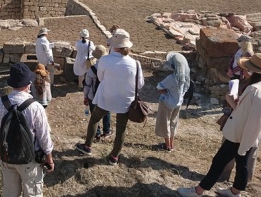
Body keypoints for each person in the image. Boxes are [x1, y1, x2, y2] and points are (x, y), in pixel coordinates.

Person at [177, 53, 261, 197]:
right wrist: (232, 102)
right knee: (242, 164)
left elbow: (255, 119)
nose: (243, 71)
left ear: (254, 71)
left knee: (218, 162)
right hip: (249, 136)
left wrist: (245, 144)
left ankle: (198, 191)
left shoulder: (255, 91)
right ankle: (235, 192)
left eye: (246, 68)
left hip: (241, 136)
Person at [75, 29, 144, 166]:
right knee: (121, 129)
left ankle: (87, 146)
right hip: (125, 101)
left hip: (106, 97)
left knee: (94, 119)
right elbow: (140, 84)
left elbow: (100, 78)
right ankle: (114, 157)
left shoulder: (105, 60)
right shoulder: (135, 64)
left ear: (115, 46)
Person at [0, 63, 54, 196]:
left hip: (7, 157)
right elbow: (44, 136)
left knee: (9, 192)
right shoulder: (36, 107)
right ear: (28, 83)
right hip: (29, 159)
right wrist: (49, 157)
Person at [154, 52, 191, 152]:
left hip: (167, 103)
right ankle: (171, 144)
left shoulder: (171, 78)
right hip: (178, 103)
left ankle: (167, 146)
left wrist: (164, 91)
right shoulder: (185, 77)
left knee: (165, 122)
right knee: (173, 123)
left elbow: (159, 86)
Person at [82, 45, 111, 142]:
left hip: (93, 96)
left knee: (94, 115)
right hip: (107, 95)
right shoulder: (110, 68)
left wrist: (85, 96)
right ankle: (106, 131)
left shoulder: (92, 69)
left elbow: (87, 84)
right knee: (107, 113)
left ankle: (97, 134)